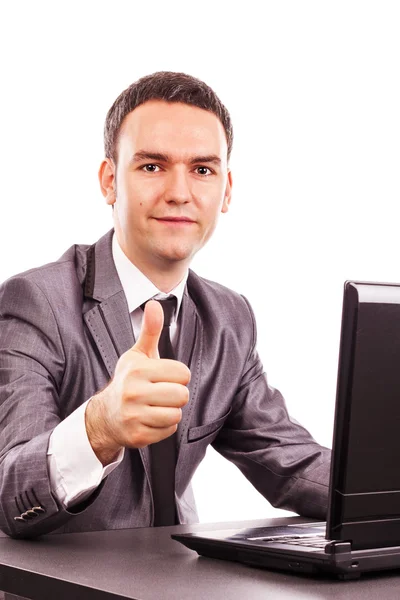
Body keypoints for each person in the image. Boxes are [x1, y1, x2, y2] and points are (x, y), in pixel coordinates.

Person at [0, 71, 331, 540]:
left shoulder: (229, 318)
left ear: (227, 190)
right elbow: (10, 491)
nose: (179, 192)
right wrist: (99, 428)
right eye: (152, 166)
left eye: (202, 169)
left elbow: (291, 463)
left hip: (178, 582)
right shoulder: (36, 302)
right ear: (110, 181)